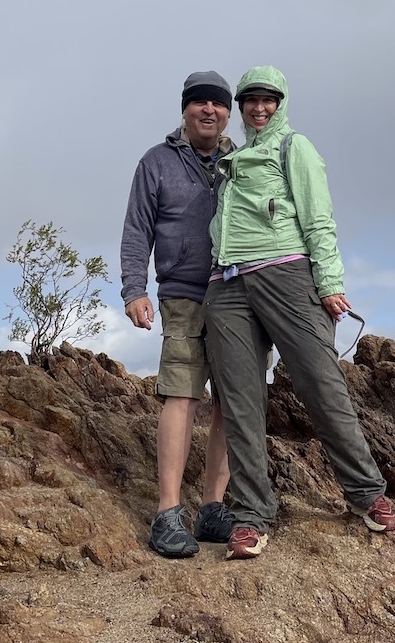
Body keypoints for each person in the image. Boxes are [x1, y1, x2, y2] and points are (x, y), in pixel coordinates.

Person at [204, 65, 395, 560]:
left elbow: (319, 219)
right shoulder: (234, 157)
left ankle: (366, 494)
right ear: (241, 106)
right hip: (226, 285)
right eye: (251, 100)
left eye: (269, 100)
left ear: (282, 102)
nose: (259, 108)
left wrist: (330, 284)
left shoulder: (296, 147)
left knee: (321, 384)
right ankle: (251, 515)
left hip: (288, 275)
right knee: (240, 404)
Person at [120, 70, 238, 558]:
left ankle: (213, 509)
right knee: (182, 394)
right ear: (186, 109)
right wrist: (134, 289)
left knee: (234, 400)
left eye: (217, 103)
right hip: (184, 294)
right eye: (199, 103)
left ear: (228, 112)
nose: (208, 110)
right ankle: (168, 513)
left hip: (238, 294)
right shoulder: (156, 162)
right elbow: (137, 228)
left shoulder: (243, 161)